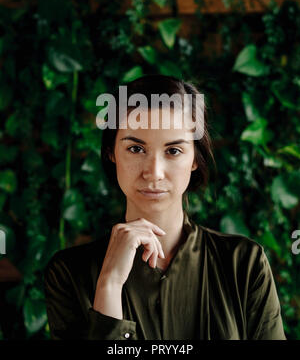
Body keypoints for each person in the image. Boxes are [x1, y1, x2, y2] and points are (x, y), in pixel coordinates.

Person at [44, 74, 287, 340]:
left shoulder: (244, 264)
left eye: (173, 151)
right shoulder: (69, 274)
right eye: (136, 148)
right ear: (111, 152)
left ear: (195, 158)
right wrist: (109, 285)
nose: (154, 173)